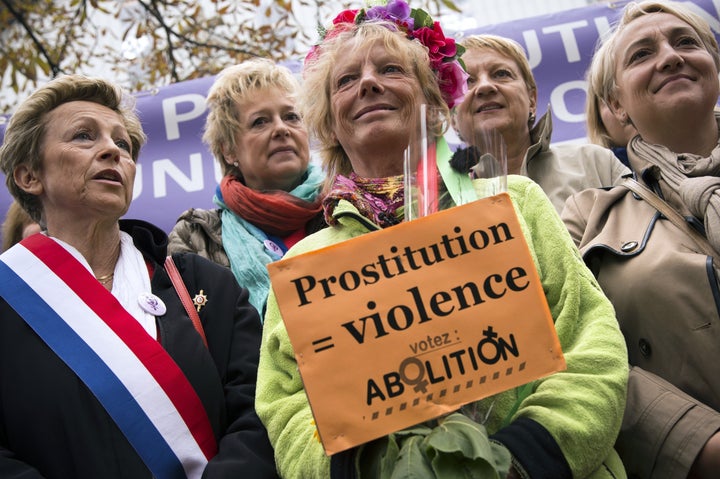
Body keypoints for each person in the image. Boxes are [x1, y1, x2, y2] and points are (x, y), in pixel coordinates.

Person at [255, 2, 628, 478]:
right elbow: (288, 410)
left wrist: (522, 459)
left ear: (432, 103)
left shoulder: (513, 201)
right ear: (328, 121)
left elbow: (592, 343)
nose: (369, 83)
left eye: (390, 69)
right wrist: (374, 468)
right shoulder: (305, 263)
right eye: (346, 81)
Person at [0, 74, 278, 479]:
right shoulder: (8, 298)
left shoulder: (206, 285)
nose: (112, 150)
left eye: (123, 144)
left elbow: (259, 411)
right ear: (30, 176)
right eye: (83, 136)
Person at [561, 2, 720, 478]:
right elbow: (569, 347)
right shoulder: (588, 215)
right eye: (641, 54)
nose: (670, 57)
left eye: (686, 42)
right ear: (615, 106)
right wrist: (696, 442)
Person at [168, 58, 325, 316]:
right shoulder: (197, 237)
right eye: (260, 122)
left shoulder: (347, 209)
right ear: (229, 150)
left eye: (291, 117)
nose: (281, 129)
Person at [452, 34, 630, 213]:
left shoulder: (595, 164)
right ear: (452, 118)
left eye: (501, 74)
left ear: (532, 100)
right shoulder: (443, 202)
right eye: (466, 81)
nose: (484, 86)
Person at [584, 39, 638, 168]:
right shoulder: (593, 181)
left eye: (631, 89)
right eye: (610, 98)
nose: (623, 105)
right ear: (598, 119)